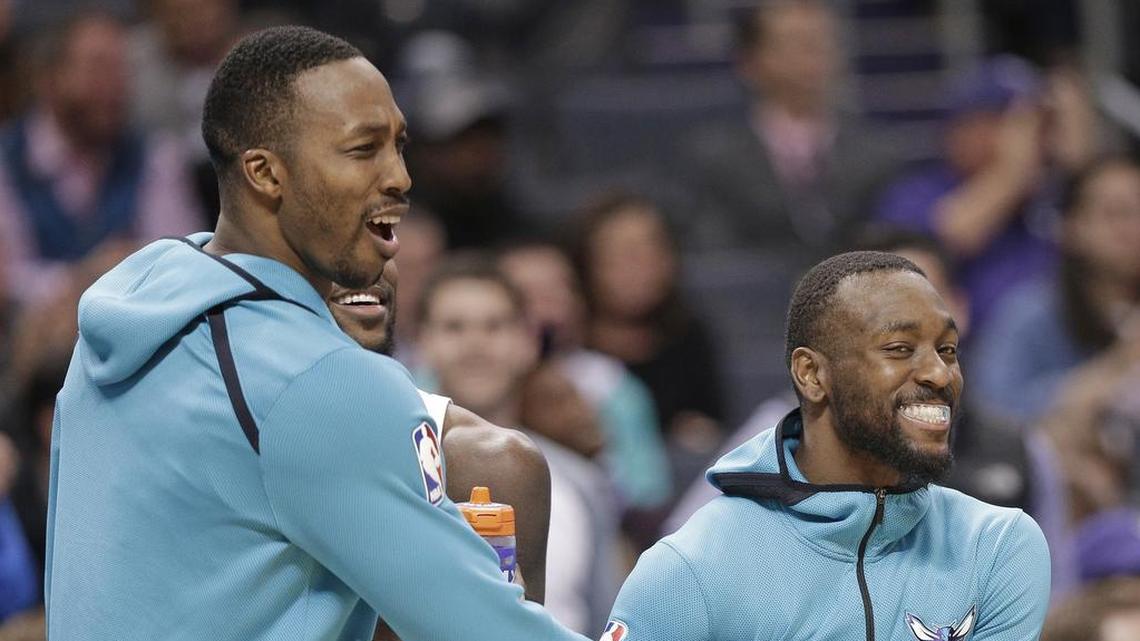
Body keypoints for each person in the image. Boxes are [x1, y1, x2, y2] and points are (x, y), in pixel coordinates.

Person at [46, 26, 588, 641]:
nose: (401, 178)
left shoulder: (127, 312)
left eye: (400, 146)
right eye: (363, 150)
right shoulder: (317, 381)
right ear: (265, 173)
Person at [605, 251, 1051, 641]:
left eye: (948, 349)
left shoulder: (996, 547)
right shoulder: (692, 569)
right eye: (899, 348)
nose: (940, 374)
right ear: (812, 375)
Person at [325, 257, 553, 639]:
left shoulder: (493, 462)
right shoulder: (215, 411)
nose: (365, 261)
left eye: (385, 228)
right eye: (454, 326)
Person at [411, 255, 623, 634]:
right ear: (424, 341)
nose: (475, 344)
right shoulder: (394, 468)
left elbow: (606, 620)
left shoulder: (580, 482)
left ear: (527, 340)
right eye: (454, 327)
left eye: (495, 326)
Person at [0, 12, 202, 304]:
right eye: (97, 68)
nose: (113, 85)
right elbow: (8, 279)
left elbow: (182, 260)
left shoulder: (155, 155)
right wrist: (90, 276)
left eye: (121, 69)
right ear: (48, 80)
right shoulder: (7, 160)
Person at [676, 0, 897, 258]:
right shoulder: (714, 158)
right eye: (795, 42)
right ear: (749, 61)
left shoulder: (877, 153)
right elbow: (716, 257)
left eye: (822, 41)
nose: (814, 53)